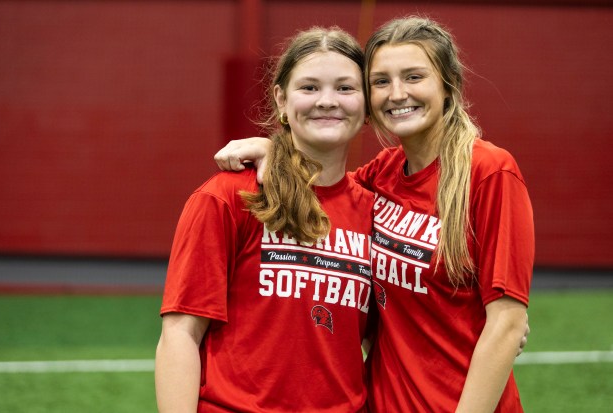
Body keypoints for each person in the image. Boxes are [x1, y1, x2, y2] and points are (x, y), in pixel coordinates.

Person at [214, 16, 534, 413]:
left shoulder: (488, 172)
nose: (397, 94)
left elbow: (505, 323)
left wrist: (508, 330)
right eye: (381, 81)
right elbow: (325, 187)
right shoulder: (382, 173)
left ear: (448, 84)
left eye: (414, 77)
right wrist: (273, 151)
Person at [155, 27, 376, 413]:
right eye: (309, 88)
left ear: (367, 103)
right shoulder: (229, 196)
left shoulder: (375, 211)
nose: (327, 101)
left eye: (345, 88)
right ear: (281, 100)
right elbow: (180, 334)